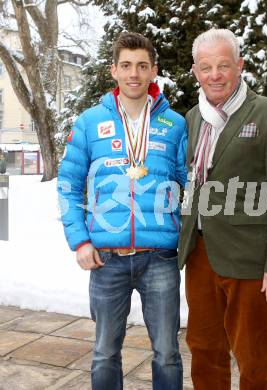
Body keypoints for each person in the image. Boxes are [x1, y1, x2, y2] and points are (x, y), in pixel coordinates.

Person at [57, 32, 187, 390]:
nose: (134, 73)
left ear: (153, 70)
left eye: (142, 66)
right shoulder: (88, 122)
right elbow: (68, 183)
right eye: (126, 65)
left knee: (167, 353)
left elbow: (187, 184)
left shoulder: (174, 125)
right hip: (106, 259)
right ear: (113, 70)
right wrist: (80, 240)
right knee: (103, 353)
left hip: (159, 257)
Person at [178, 29, 267, 390]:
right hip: (200, 254)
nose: (214, 75)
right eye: (205, 67)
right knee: (203, 349)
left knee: (253, 356)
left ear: (239, 66)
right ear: (195, 72)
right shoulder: (193, 118)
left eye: (222, 65)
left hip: (249, 259)